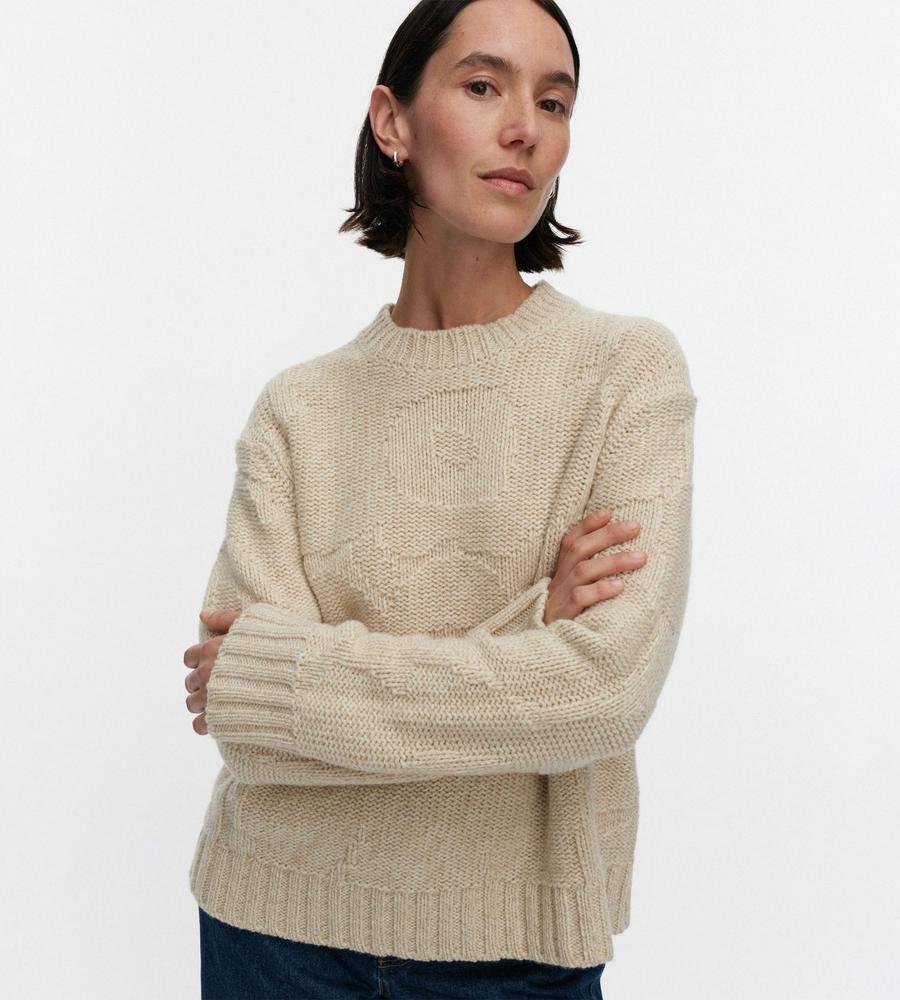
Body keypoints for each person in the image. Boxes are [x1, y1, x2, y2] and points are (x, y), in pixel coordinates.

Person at [182, 1, 698, 996]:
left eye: (555, 101)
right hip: (269, 926)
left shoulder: (625, 372)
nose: (525, 128)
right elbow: (245, 726)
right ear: (394, 121)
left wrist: (289, 680)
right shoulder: (298, 407)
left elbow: (601, 692)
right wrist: (531, 626)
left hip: (512, 952)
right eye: (483, 86)